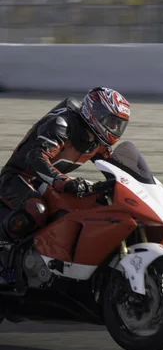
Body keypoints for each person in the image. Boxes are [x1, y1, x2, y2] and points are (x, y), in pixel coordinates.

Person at [0, 87, 131, 281]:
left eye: (118, 124)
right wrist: (63, 181)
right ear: (95, 113)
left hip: (47, 184)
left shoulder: (98, 141)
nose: (114, 129)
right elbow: (36, 157)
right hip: (18, 178)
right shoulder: (63, 124)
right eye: (111, 122)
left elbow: (114, 169)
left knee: (91, 205)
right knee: (37, 209)